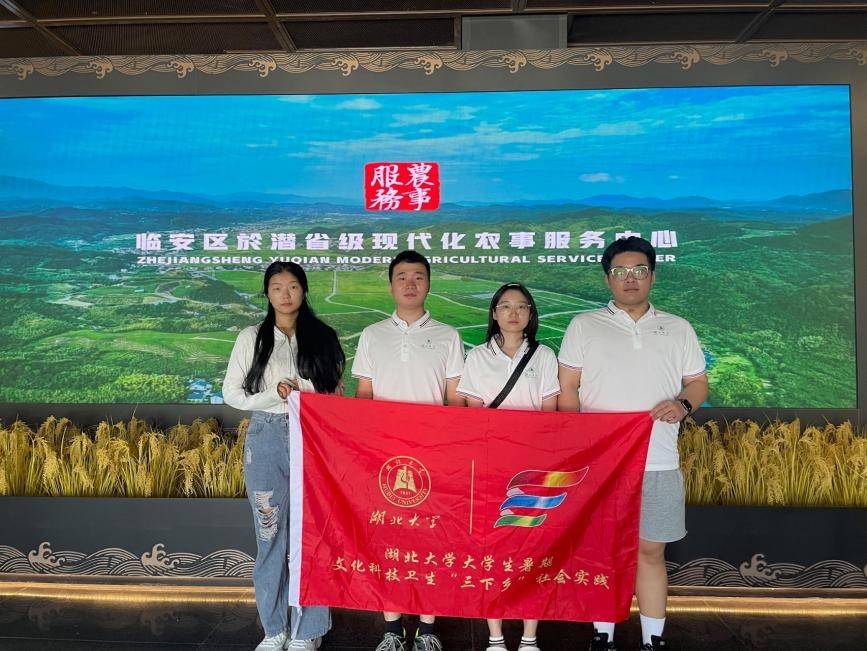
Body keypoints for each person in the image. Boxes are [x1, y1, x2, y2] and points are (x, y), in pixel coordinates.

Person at [557, 237, 708, 651]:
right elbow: (568, 388)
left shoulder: (677, 327)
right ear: (607, 279)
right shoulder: (584, 325)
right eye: (620, 271)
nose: (630, 279)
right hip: (603, 464)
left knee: (651, 552)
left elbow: (697, 382)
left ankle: (653, 640)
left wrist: (683, 404)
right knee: (603, 550)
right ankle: (602, 635)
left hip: (658, 458)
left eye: (639, 270)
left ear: (652, 276)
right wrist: (579, 442)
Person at [223, 261, 345, 651]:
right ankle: (274, 629)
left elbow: (336, 394)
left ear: (304, 290)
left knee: (313, 535)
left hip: (314, 437)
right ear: (267, 293)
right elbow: (232, 394)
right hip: (267, 437)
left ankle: (308, 631)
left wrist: (302, 390)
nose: (285, 294)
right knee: (270, 534)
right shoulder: (251, 338)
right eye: (277, 287)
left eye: (292, 286)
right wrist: (272, 394)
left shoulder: (323, 337)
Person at [352, 250, 465, 651]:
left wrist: (449, 449)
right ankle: (392, 627)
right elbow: (364, 395)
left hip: (433, 455)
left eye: (418, 276)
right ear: (391, 286)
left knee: (432, 539)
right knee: (387, 539)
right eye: (402, 276)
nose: (410, 283)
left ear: (429, 284)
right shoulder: (372, 335)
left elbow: (455, 399)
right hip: (385, 455)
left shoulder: (449, 336)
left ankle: (428, 628)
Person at [457, 282, 560, 651]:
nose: (513, 313)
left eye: (521, 306)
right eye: (505, 306)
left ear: (531, 314)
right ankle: (496, 636)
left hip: (532, 470)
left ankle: (530, 637)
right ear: (494, 313)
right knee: (493, 548)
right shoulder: (476, 356)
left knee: (531, 550)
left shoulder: (544, 355)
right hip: (490, 466)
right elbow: (472, 416)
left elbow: (549, 416)